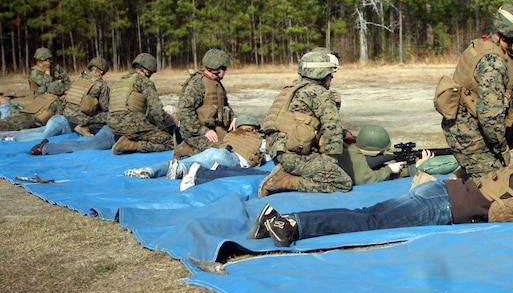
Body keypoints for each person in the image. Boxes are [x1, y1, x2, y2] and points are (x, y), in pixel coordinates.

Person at [247, 141, 513, 247]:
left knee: (369, 212)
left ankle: (278, 220)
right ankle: (291, 224)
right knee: (369, 220)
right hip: (442, 207)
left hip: (441, 192)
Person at [435, 2, 513, 179]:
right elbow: (490, 118)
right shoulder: (493, 64)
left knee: (479, 180)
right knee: (495, 186)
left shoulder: (485, 45)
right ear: (509, 34)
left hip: (468, 127)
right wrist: (502, 150)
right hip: (469, 135)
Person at [257, 48, 352, 197]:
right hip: (294, 157)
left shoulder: (291, 89)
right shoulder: (320, 94)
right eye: (329, 73)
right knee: (342, 182)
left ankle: (285, 171)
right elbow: (332, 130)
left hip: (278, 152)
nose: (332, 77)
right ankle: (284, 181)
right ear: (321, 74)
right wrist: (330, 161)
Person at [124, 114, 267, 180]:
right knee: (198, 166)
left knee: (182, 163)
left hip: (217, 151)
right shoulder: (258, 139)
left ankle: (149, 170)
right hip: (231, 158)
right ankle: (180, 170)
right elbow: (267, 154)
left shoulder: (231, 135)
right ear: (254, 128)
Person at [107, 53, 175, 154]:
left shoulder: (121, 81)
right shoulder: (144, 82)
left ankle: (127, 138)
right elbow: (157, 111)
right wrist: (163, 129)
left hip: (112, 125)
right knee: (170, 143)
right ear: (147, 71)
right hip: (132, 124)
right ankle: (132, 145)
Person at [175, 48, 233, 156]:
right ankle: (185, 149)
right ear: (217, 69)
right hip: (195, 133)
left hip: (215, 128)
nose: (226, 71)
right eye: (224, 68)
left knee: (236, 145)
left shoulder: (216, 83)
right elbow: (185, 112)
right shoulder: (198, 84)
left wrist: (234, 118)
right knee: (220, 151)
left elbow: (224, 104)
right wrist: (203, 131)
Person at [0, 47, 71, 133]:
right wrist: (47, 72)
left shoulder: (56, 67)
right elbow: (47, 84)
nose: (48, 62)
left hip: (58, 95)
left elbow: (66, 79)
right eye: (46, 60)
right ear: (40, 61)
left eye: (49, 59)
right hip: (42, 99)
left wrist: (67, 91)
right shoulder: (35, 72)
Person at [336, 124, 420, 186]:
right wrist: (389, 169)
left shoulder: (347, 147)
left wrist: (412, 168)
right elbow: (366, 180)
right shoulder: (353, 155)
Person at [59, 56, 111, 136]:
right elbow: (105, 107)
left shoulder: (78, 78)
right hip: (80, 119)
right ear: (101, 71)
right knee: (110, 116)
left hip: (66, 114)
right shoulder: (101, 84)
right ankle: (84, 128)